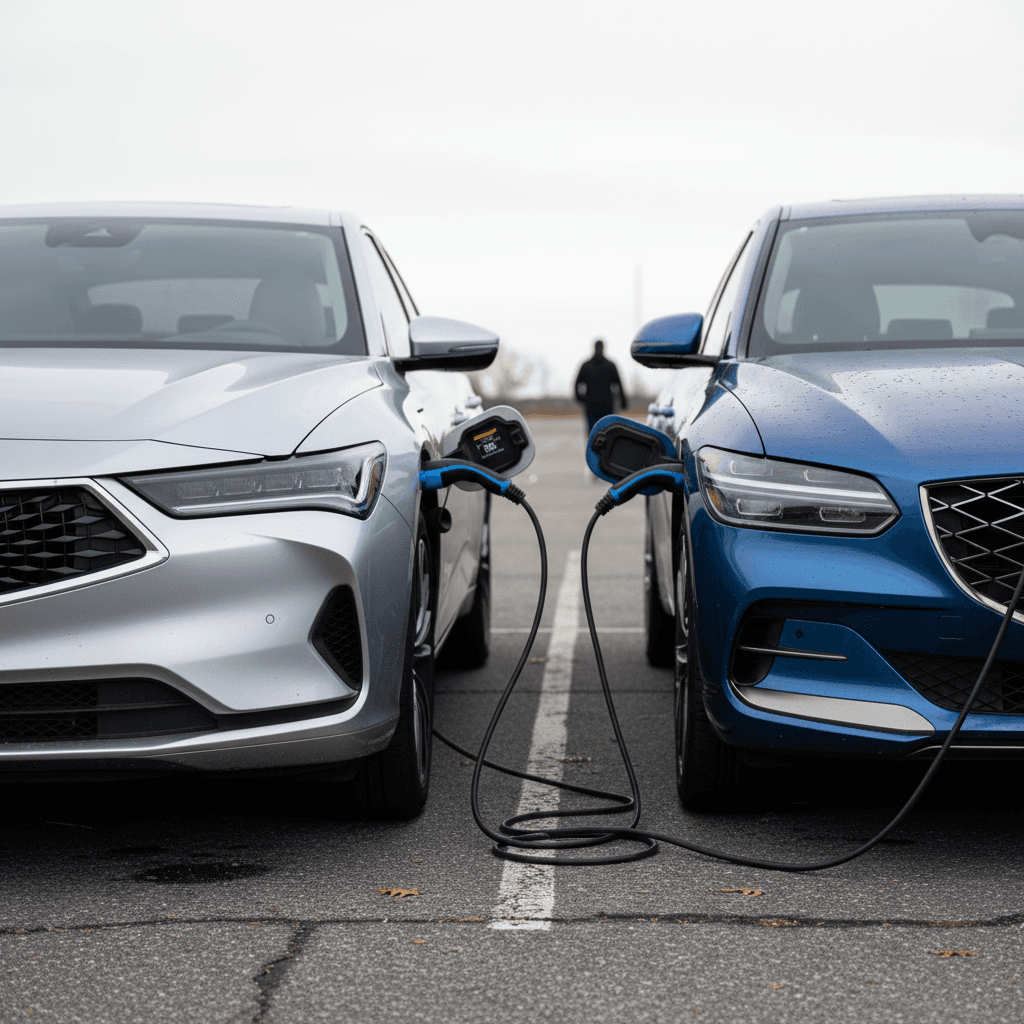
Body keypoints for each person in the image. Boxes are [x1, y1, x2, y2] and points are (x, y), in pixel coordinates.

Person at [574, 338, 628, 434]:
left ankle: (592, 444)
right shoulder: (610, 365)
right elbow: (619, 384)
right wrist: (623, 401)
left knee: (592, 434)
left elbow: (577, 384)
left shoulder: (586, 366)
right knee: (607, 433)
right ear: (603, 348)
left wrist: (580, 398)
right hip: (605, 406)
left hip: (592, 405)